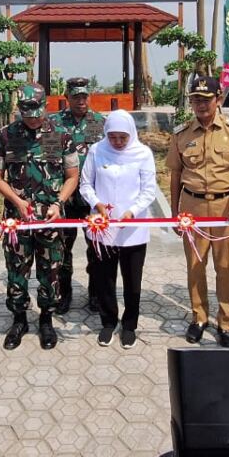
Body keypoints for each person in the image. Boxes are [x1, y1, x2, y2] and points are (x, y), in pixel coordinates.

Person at [0, 83, 80, 350]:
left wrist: (59, 203)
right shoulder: (5, 136)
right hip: (18, 220)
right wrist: (17, 201)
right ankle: (19, 320)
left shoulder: (61, 136)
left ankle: (46, 320)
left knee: (50, 271)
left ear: (45, 106)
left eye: (37, 113)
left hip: (50, 219)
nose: (32, 118)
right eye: (27, 113)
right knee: (16, 270)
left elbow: (72, 176)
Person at [166, 75, 229, 348]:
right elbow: (175, 175)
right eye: (195, 100)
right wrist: (175, 212)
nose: (201, 105)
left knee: (225, 267)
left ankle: (226, 323)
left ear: (219, 99)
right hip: (192, 207)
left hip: (226, 207)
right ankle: (199, 318)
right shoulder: (181, 133)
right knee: (195, 265)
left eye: (206, 99)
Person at [79, 109, 156, 349]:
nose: (118, 142)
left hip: (133, 228)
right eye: (113, 137)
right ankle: (108, 322)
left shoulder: (143, 153)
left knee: (132, 280)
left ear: (131, 133)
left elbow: (149, 190)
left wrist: (132, 211)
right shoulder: (96, 150)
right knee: (104, 278)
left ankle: (130, 325)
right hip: (102, 228)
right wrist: (97, 204)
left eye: (123, 137)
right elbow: (85, 185)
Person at [52, 76, 106, 313]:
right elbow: (51, 159)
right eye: (76, 96)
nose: (81, 100)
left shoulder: (100, 122)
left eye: (84, 96)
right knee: (62, 248)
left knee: (97, 249)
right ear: (67, 97)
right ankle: (64, 293)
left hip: (93, 199)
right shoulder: (53, 124)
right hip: (66, 199)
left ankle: (95, 294)